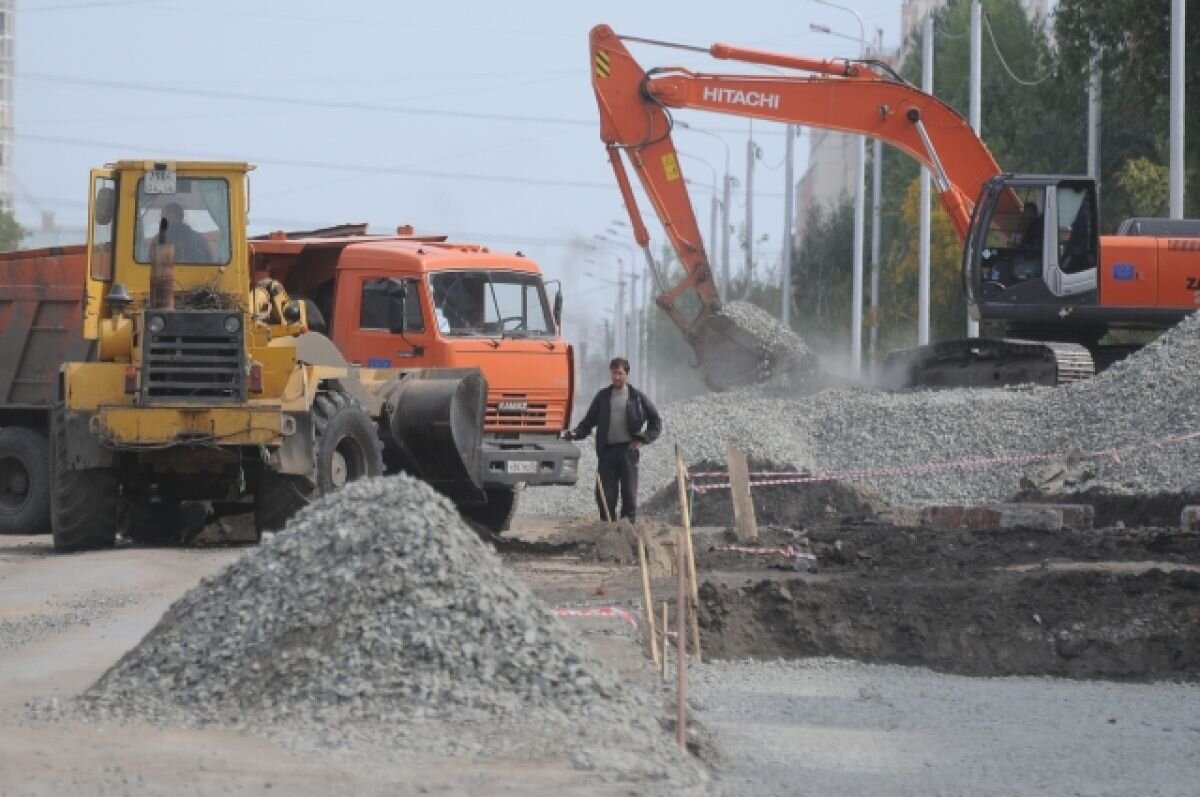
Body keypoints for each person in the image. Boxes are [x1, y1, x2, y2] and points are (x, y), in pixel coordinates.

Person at [564, 357, 661, 523]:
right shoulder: (603, 397)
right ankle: (608, 530)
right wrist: (576, 433)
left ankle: (627, 530)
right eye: (614, 373)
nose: (616, 377)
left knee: (629, 495)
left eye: (620, 373)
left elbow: (656, 421)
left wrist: (643, 439)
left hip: (628, 452)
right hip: (607, 452)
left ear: (627, 375)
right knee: (605, 496)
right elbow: (589, 421)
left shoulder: (636, 397)